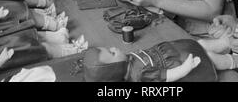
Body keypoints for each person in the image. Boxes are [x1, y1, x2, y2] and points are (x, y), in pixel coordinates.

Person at [82, 39, 222, 82]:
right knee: (214, 60)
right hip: (179, 63)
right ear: (115, 68)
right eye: (112, 53)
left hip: (173, 51)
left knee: (201, 43)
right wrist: (184, 68)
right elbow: (166, 76)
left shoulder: (127, 60)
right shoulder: (139, 74)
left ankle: (227, 43)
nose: (114, 47)